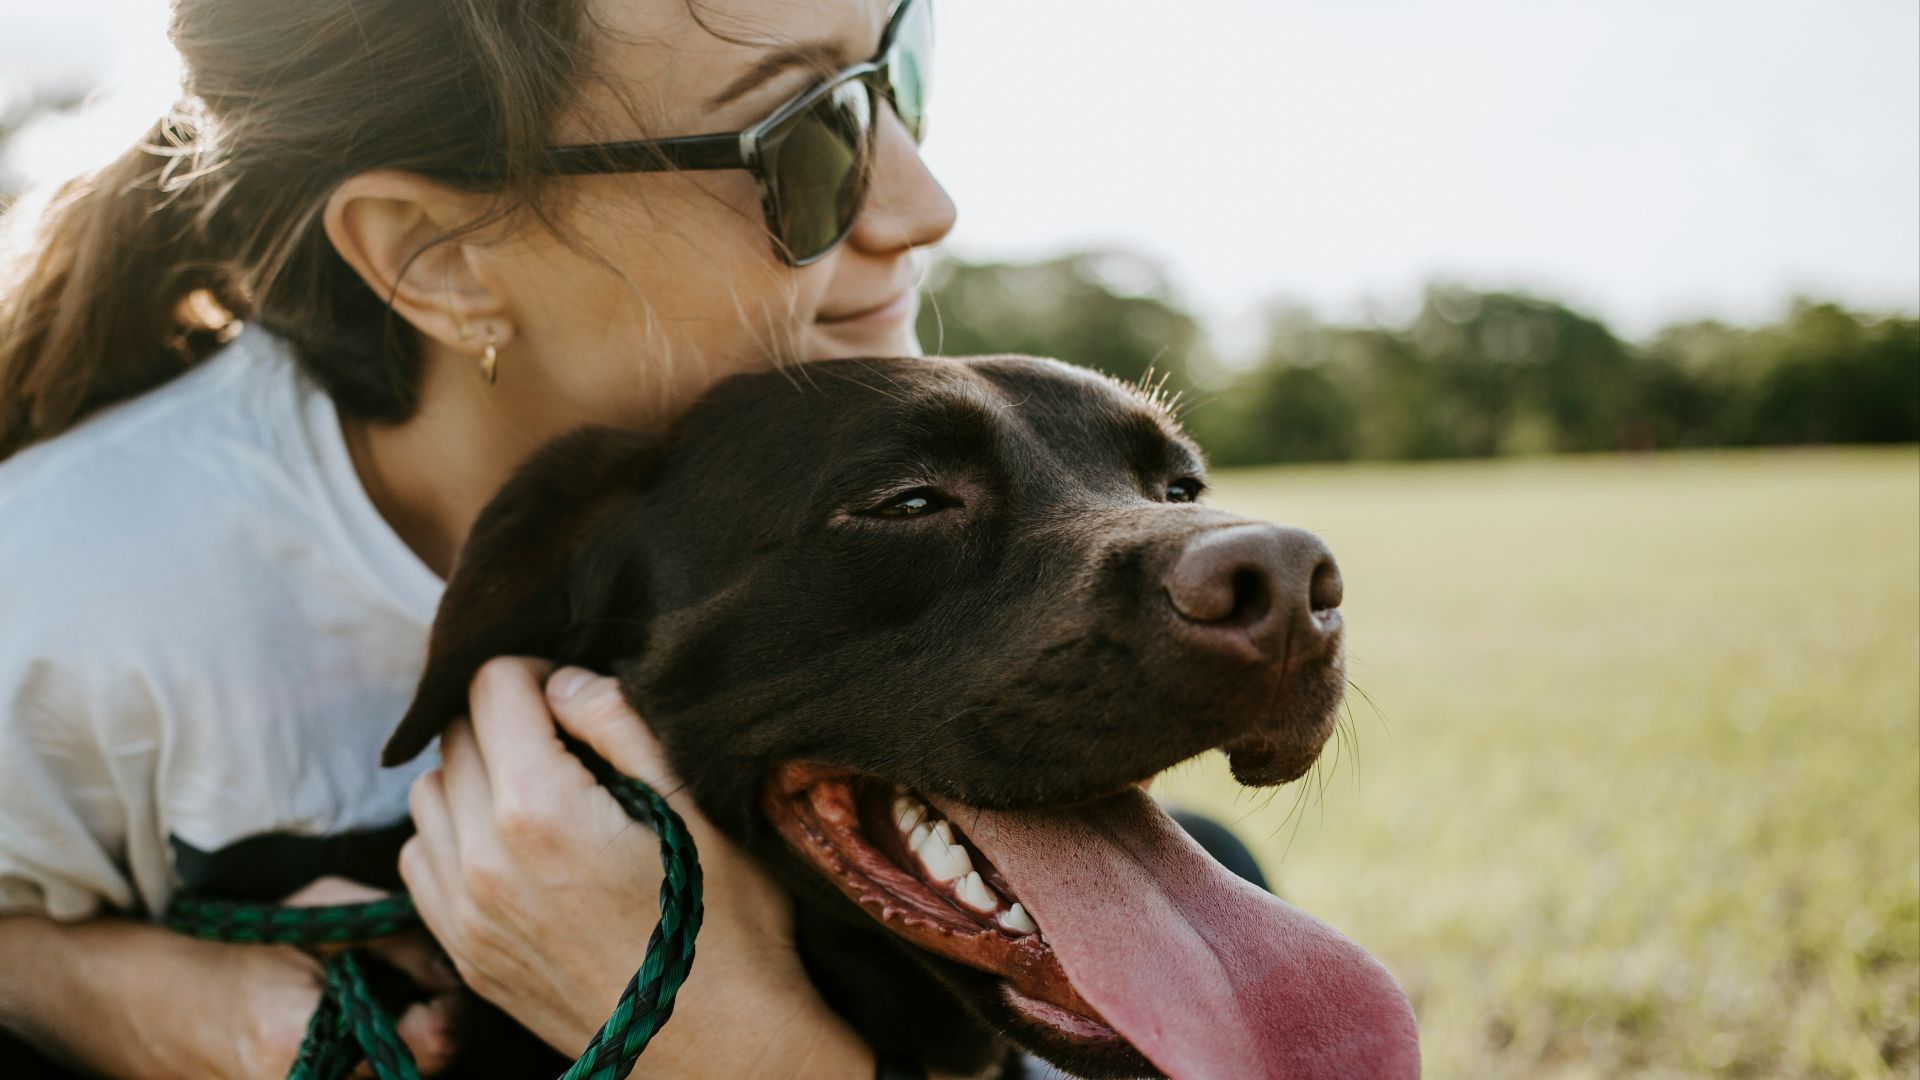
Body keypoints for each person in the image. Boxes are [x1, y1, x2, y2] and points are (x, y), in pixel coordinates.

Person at [0, 0, 954, 1074]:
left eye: (895, 69)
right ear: (437, 258)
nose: (924, 204)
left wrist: (725, 1036)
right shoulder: (61, 593)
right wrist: (111, 995)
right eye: (808, 138)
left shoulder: (902, 508)